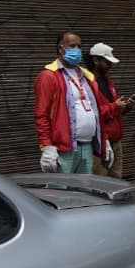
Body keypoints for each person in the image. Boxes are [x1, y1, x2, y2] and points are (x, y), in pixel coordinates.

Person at [34, 31, 110, 174]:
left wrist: (103, 139)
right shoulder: (48, 76)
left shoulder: (86, 76)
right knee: (59, 193)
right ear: (61, 48)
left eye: (79, 46)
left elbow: (97, 112)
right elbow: (41, 115)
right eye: (72, 46)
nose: (77, 50)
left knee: (84, 191)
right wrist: (47, 147)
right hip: (63, 150)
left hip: (87, 147)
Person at [88, 43, 135, 179]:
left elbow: (113, 110)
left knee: (116, 181)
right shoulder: (88, 83)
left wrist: (125, 107)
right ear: (96, 60)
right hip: (101, 143)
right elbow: (92, 114)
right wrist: (115, 106)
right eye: (107, 62)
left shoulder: (108, 81)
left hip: (116, 142)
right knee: (100, 183)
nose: (110, 65)